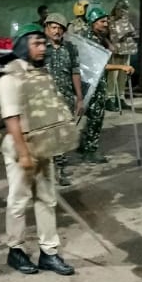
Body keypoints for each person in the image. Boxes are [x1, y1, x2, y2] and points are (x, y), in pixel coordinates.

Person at [0, 24, 76, 277]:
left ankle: (49, 253)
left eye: (43, 43)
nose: (43, 48)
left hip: (43, 146)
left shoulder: (40, 74)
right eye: (36, 44)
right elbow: (11, 119)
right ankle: (15, 250)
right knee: (19, 200)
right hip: (21, 148)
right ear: (22, 46)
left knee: (47, 200)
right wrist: (24, 153)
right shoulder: (9, 78)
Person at [77, 7, 134, 164]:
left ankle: (84, 145)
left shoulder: (98, 37)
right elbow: (98, 65)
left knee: (92, 117)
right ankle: (90, 151)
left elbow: (111, 49)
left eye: (106, 20)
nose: (106, 23)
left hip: (94, 83)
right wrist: (121, 67)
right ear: (93, 22)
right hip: (92, 84)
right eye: (102, 21)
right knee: (95, 118)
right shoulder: (89, 40)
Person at [42, 13, 83, 186]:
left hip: (65, 97)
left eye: (60, 28)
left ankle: (61, 170)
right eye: (53, 27)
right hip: (44, 98)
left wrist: (79, 97)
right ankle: (44, 171)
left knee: (62, 135)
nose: (57, 31)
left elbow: (75, 72)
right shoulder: (40, 48)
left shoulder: (71, 48)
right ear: (46, 28)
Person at [107, 0, 137, 112]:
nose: (124, 12)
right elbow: (111, 35)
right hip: (115, 50)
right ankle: (110, 98)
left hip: (126, 50)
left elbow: (132, 31)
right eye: (122, 10)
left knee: (123, 76)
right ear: (117, 9)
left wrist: (130, 34)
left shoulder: (125, 20)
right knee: (112, 75)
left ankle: (120, 96)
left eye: (125, 10)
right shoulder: (110, 21)